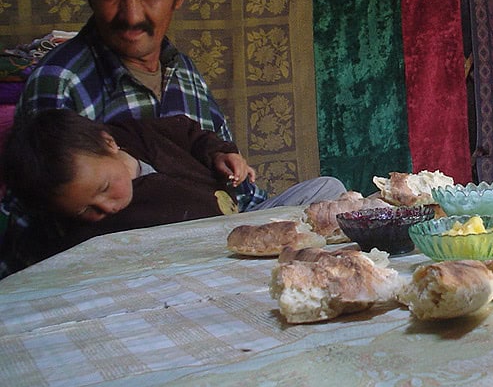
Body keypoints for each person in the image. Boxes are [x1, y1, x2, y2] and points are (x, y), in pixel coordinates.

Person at [11, 0, 344, 211]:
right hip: (142, 255)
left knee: (332, 194)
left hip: (223, 225)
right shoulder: (60, 80)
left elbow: (237, 187)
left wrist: (234, 174)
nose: (131, 15)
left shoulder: (183, 71)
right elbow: (45, 226)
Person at [0, 109, 336, 271]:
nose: (106, 208)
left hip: (248, 220)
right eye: (87, 210)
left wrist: (221, 153)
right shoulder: (102, 227)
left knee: (329, 188)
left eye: (103, 188)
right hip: (204, 253)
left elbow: (192, 134)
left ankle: (293, 249)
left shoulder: (139, 133)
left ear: (109, 143)